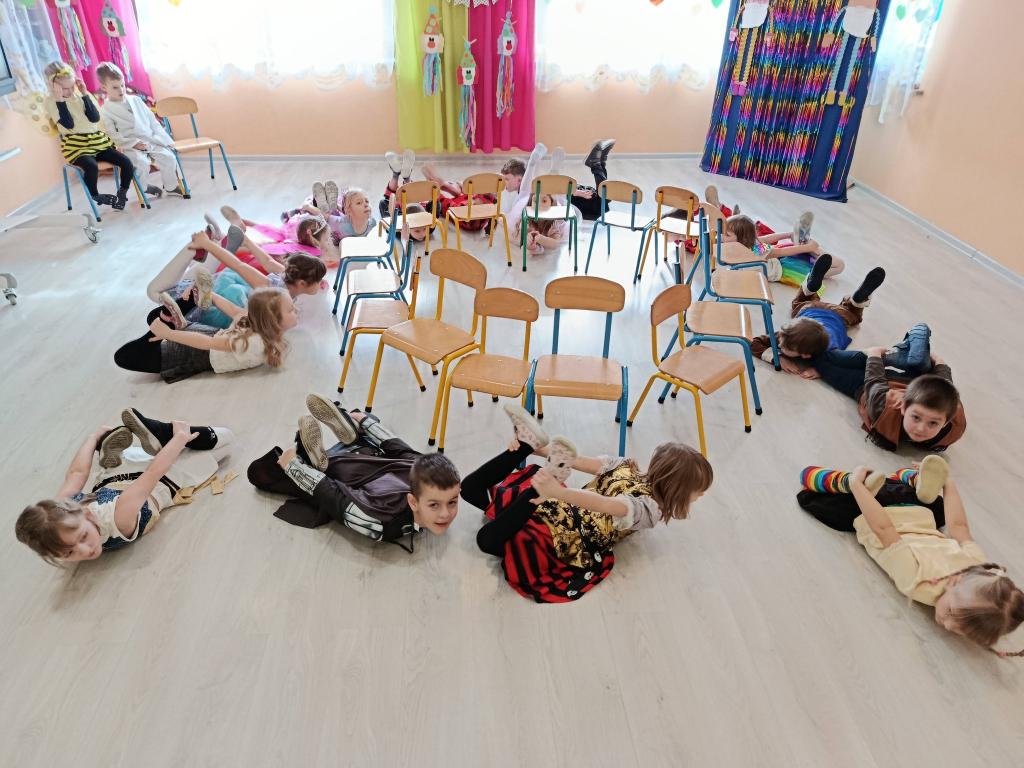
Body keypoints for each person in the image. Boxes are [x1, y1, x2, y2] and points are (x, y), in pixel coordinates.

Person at [461, 404, 713, 603]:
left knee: (470, 489)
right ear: (678, 489)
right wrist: (552, 488)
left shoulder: (625, 466)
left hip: (558, 508)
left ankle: (524, 451)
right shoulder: (649, 509)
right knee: (486, 540)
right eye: (698, 491)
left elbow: (576, 461)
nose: (700, 495)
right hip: (568, 536)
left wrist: (535, 451)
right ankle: (536, 483)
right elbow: (603, 504)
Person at [796, 457, 1024, 657]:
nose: (947, 625)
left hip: (917, 507)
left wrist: (948, 484)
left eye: (962, 630)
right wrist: (857, 488)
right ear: (955, 582)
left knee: (935, 507)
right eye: (951, 612)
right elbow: (884, 529)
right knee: (809, 493)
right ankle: (851, 481)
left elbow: (958, 525)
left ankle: (912, 480)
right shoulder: (917, 581)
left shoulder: (979, 566)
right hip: (873, 509)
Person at [14, 409, 233, 564]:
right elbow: (76, 474)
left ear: (87, 515)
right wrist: (93, 439)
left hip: (162, 478)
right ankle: (118, 456)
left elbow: (152, 474)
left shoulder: (118, 518)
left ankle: (166, 434)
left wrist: (179, 438)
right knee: (133, 467)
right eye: (68, 554)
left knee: (227, 440)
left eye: (83, 537)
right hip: (115, 477)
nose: (85, 550)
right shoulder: (65, 510)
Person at [247, 395, 461, 553]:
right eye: (435, 505)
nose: (446, 514)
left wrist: (367, 422)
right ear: (414, 502)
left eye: (452, 503)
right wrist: (293, 466)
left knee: (258, 473)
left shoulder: (422, 473)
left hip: (362, 461)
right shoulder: (383, 522)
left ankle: (347, 437)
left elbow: (399, 448)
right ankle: (326, 455)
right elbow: (334, 497)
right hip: (350, 473)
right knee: (264, 474)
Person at [144, 226, 326, 331]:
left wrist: (246, 241)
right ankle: (198, 247)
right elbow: (237, 265)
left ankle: (210, 247)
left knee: (188, 278)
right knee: (154, 292)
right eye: (318, 281)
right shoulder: (271, 288)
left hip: (218, 291)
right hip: (214, 307)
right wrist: (207, 244)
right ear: (302, 283)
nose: (321, 284)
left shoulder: (287, 274)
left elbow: (268, 261)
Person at [813, 334, 966, 452]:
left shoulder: (955, 426)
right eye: (916, 417)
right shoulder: (883, 406)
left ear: (946, 422)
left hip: (911, 379)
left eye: (933, 423)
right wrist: (874, 355)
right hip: (872, 383)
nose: (920, 428)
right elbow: (874, 382)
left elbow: (945, 386)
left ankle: (906, 347)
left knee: (825, 366)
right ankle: (908, 343)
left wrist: (940, 363)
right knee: (822, 362)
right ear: (903, 407)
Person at [113, 286, 295, 383]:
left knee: (125, 356)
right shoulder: (259, 331)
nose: (297, 311)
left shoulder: (255, 342)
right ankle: (177, 319)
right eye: (291, 310)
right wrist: (208, 293)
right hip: (202, 344)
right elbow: (232, 310)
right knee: (151, 323)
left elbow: (208, 343)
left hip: (200, 351)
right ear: (270, 319)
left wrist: (168, 333)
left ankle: (177, 319)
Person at [750, 254, 885, 377]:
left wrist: (820, 371)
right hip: (833, 313)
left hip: (816, 309)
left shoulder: (828, 350)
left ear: (806, 355)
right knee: (802, 304)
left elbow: (842, 365)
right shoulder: (786, 335)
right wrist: (778, 358)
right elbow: (753, 343)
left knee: (853, 316)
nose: (779, 344)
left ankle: (812, 288)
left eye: (784, 347)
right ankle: (856, 301)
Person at [43, 61, 135, 210]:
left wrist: (85, 94)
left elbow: (94, 118)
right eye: (65, 89)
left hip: (97, 141)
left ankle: (122, 193)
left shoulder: (81, 95)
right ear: (54, 87)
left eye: (72, 86)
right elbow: (68, 124)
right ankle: (95, 195)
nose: (70, 91)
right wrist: (60, 99)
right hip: (77, 146)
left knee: (126, 162)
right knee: (91, 167)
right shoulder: (51, 102)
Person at [95, 61, 180, 199]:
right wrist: (133, 144)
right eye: (115, 87)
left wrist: (165, 139)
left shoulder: (136, 100)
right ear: (104, 87)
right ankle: (144, 187)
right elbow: (112, 134)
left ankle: (170, 186)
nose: (121, 90)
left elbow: (152, 121)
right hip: (130, 144)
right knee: (141, 163)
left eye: (122, 85)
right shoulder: (106, 110)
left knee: (169, 157)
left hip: (149, 139)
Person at [722, 213, 846, 286]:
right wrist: (808, 247)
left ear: (743, 239)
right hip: (784, 269)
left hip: (778, 260)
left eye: (726, 234)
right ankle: (813, 253)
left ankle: (811, 249)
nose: (722, 237)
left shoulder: (749, 247)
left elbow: (765, 240)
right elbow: (780, 251)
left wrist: (788, 234)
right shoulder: (751, 250)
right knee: (839, 266)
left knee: (836, 264)